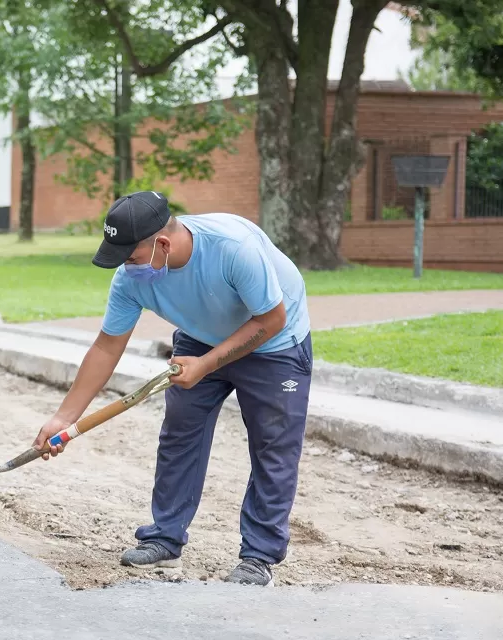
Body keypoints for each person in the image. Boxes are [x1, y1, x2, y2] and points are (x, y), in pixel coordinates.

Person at [32, 190, 312, 587]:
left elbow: (272, 318)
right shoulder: (131, 279)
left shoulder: (234, 249)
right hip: (200, 338)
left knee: (273, 445)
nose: (127, 269)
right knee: (181, 432)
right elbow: (107, 346)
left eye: (131, 257)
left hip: (274, 342)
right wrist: (64, 417)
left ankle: (259, 556)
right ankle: (165, 539)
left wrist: (208, 364)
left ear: (162, 244)